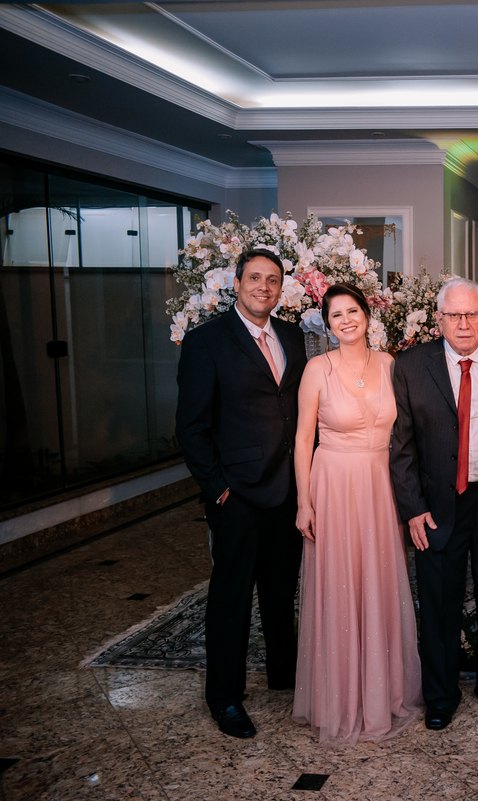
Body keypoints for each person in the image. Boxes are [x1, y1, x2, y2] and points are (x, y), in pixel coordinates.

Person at [389, 277, 478, 731]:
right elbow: (401, 446)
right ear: (439, 320)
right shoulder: (411, 365)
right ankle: (440, 695)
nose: (464, 323)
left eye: (472, 314)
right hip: (436, 503)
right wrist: (413, 508)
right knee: (438, 602)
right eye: (454, 315)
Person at [175, 247, 307, 739]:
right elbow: (191, 427)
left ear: (281, 288)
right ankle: (225, 698)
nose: (263, 287)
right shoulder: (205, 341)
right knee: (231, 598)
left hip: (286, 489)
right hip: (237, 494)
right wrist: (218, 490)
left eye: (272, 280)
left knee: (281, 589)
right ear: (236, 283)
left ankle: (283, 674)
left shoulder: (292, 335)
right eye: (254, 278)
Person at [291, 284, 423, 745]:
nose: (346, 320)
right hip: (334, 484)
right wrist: (304, 502)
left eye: (353, 311)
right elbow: (302, 439)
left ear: (367, 316)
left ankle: (382, 693)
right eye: (336, 315)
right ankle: (342, 699)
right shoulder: (317, 369)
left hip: (381, 484)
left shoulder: (389, 364)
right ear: (327, 325)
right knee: (341, 584)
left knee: (380, 581)